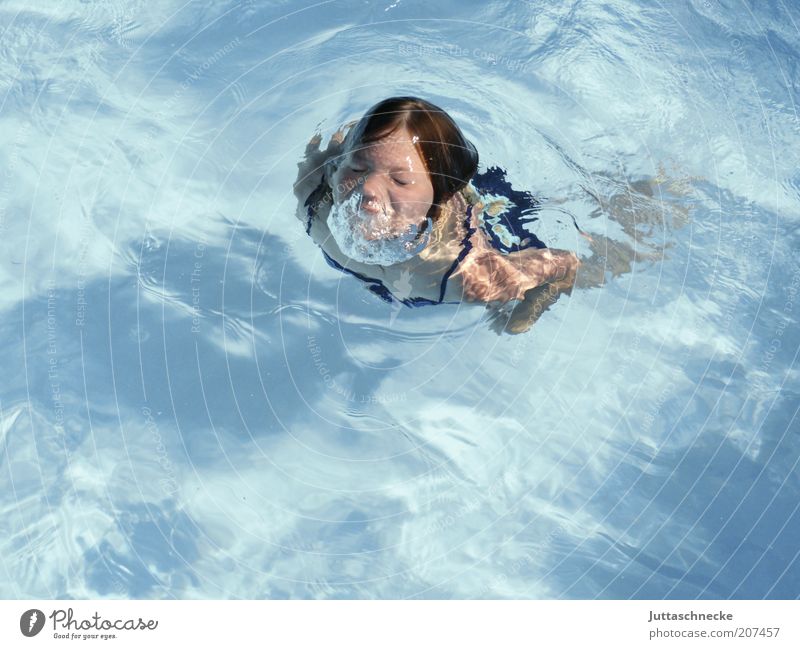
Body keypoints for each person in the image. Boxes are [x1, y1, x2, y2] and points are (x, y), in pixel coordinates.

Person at [293, 96, 583, 333]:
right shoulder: (312, 194)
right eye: (357, 168)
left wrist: (531, 307)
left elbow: (567, 264)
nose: (367, 189)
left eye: (401, 181)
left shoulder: (465, 274)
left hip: (497, 211)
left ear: (443, 197)